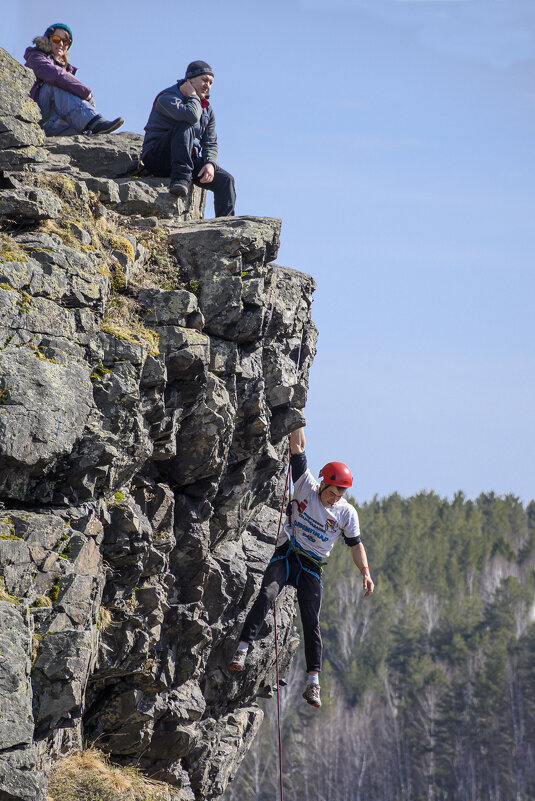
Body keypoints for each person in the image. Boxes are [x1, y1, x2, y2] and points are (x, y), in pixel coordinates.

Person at [229, 427, 374, 708]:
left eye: (340, 495)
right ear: (323, 484)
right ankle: (242, 649)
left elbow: (355, 544)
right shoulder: (306, 484)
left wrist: (365, 572)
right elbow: (297, 446)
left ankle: (313, 683)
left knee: (311, 620)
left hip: (311, 567)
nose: (335, 499)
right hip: (287, 554)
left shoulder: (346, 513)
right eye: (332, 493)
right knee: (267, 594)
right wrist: (297, 413)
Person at [141, 60, 236, 216]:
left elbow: (210, 142)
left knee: (226, 180)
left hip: (187, 159)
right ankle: (181, 180)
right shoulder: (167, 97)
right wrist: (192, 96)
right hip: (158, 157)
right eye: (204, 80)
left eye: (211, 82)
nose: (208, 86)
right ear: (190, 80)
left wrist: (210, 163)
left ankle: (226, 227)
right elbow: (191, 117)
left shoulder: (207, 110)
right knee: (184, 126)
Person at [24, 23, 124, 137]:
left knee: (69, 90)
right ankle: (95, 122)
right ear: (48, 40)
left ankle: (91, 129)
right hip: (38, 118)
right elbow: (57, 76)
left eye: (66, 41)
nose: (61, 44)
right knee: (55, 85)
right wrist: (86, 93)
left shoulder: (67, 70)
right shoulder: (36, 58)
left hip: (56, 125)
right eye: (56, 39)